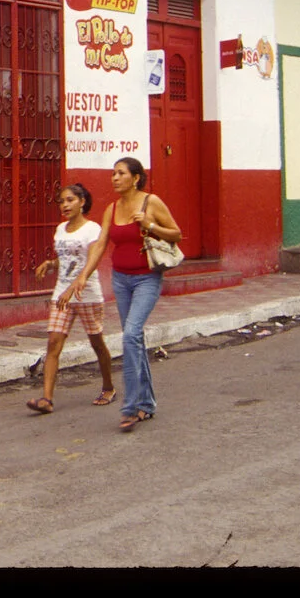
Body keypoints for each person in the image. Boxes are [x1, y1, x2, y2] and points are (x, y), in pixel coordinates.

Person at [57, 157, 182, 431]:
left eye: (121, 173)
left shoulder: (152, 202)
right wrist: (82, 276)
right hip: (121, 279)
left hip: (147, 278)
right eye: (113, 173)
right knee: (133, 340)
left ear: (136, 178)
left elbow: (176, 234)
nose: (114, 178)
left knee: (132, 335)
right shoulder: (112, 209)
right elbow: (100, 245)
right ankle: (146, 404)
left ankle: (130, 407)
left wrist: (149, 225)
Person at [26, 183, 116, 414]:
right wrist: (51, 264)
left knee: (96, 343)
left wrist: (75, 285)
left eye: (70, 200)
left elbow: (92, 260)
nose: (65, 205)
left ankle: (108, 387)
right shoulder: (60, 230)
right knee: (53, 342)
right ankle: (46, 399)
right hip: (62, 293)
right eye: (62, 201)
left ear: (82, 202)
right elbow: (68, 260)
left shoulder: (92, 229)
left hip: (87, 294)